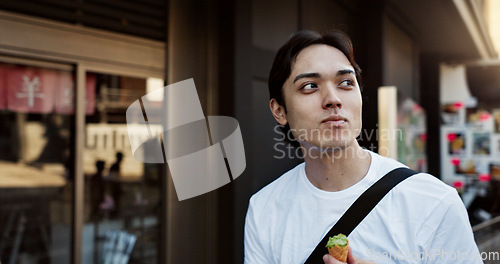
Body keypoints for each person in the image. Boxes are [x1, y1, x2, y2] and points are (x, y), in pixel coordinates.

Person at [244, 30, 482, 264]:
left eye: (346, 82)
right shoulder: (265, 209)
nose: (333, 99)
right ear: (279, 111)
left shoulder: (433, 202)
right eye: (310, 86)